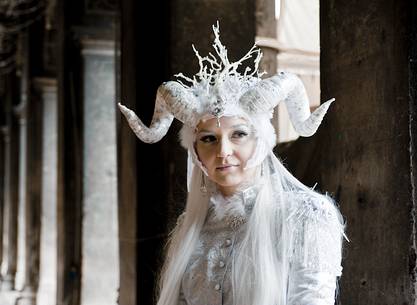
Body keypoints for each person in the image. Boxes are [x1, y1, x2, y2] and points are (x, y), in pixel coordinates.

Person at [118, 23, 346, 305]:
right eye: (209, 139)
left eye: (238, 135)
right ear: (196, 151)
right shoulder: (190, 228)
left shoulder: (305, 216)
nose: (223, 152)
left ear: (260, 141)